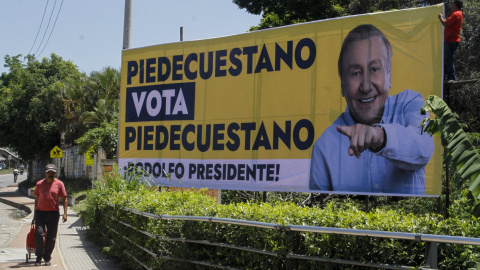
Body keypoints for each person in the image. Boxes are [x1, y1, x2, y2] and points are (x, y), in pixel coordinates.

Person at [309, 24, 434, 194]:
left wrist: (378, 137)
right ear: (342, 86)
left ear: (389, 75)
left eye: (374, 69)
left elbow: (424, 148)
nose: (366, 86)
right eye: (355, 72)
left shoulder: (411, 103)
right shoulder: (323, 148)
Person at [33, 164, 68, 266]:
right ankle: (39, 256)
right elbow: (36, 199)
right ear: (45, 173)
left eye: (52, 172)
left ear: (55, 173)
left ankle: (47, 257)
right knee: (39, 234)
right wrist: (35, 214)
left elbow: (64, 199)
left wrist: (65, 214)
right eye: (49, 172)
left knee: (52, 237)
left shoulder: (59, 184)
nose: (51, 174)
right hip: (40, 213)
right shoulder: (39, 184)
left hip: (53, 214)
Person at [438, 0, 463, 83]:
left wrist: (440, 17)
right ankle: (448, 77)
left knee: (448, 58)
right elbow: (448, 23)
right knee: (447, 58)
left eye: (452, 4)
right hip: (452, 40)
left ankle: (451, 78)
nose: (451, 6)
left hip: (451, 40)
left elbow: (445, 24)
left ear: (455, 5)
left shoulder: (456, 14)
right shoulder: (458, 14)